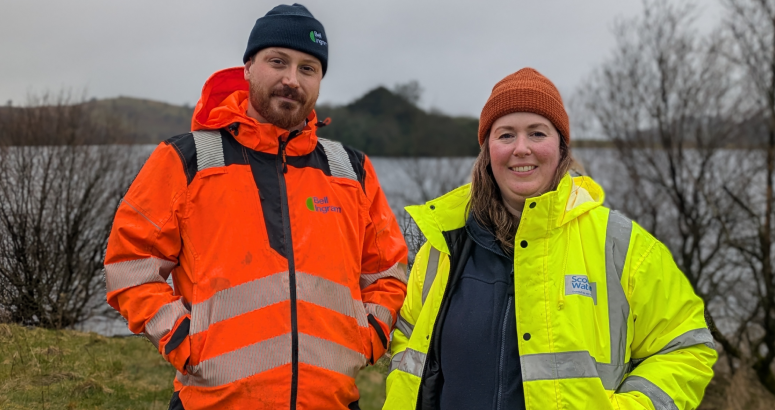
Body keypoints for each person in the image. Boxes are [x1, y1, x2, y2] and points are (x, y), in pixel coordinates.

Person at [103, 4, 408, 409]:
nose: (291, 80)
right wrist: (181, 339)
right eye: (277, 62)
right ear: (248, 67)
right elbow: (130, 262)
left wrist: (366, 338)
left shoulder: (350, 170)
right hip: (214, 401)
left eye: (307, 68)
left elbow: (387, 271)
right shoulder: (187, 159)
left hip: (331, 401)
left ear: (320, 80)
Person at [383, 68, 717, 410]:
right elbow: (408, 343)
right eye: (506, 135)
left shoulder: (622, 246)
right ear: (487, 150)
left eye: (537, 133)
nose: (522, 148)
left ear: (561, 148)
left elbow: (686, 348)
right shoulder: (444, 246)